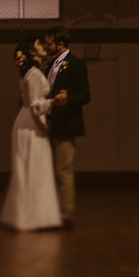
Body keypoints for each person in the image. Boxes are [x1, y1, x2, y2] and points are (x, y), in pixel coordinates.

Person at [0, 37, 62, 231]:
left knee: (31, 169)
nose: (43, 46)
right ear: (31, 52)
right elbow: (35, 105)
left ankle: (31, 216)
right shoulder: (33, 74)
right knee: (33, 169)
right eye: (39, 45)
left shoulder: (29, 73)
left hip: (26, 122)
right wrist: (53, 101)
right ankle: (32, 217)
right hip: (31, 125)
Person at [44, 26, 89, 229]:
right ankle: (49, 211)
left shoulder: (76, 64)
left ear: (60, 43)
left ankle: (66, 214)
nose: (46, 46)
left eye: (49, 43)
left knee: (64, 169)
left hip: (66, 123)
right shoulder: (50, 65)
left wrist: (67, 99)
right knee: (49, 170)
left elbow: (85, 95)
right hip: (49, 122)